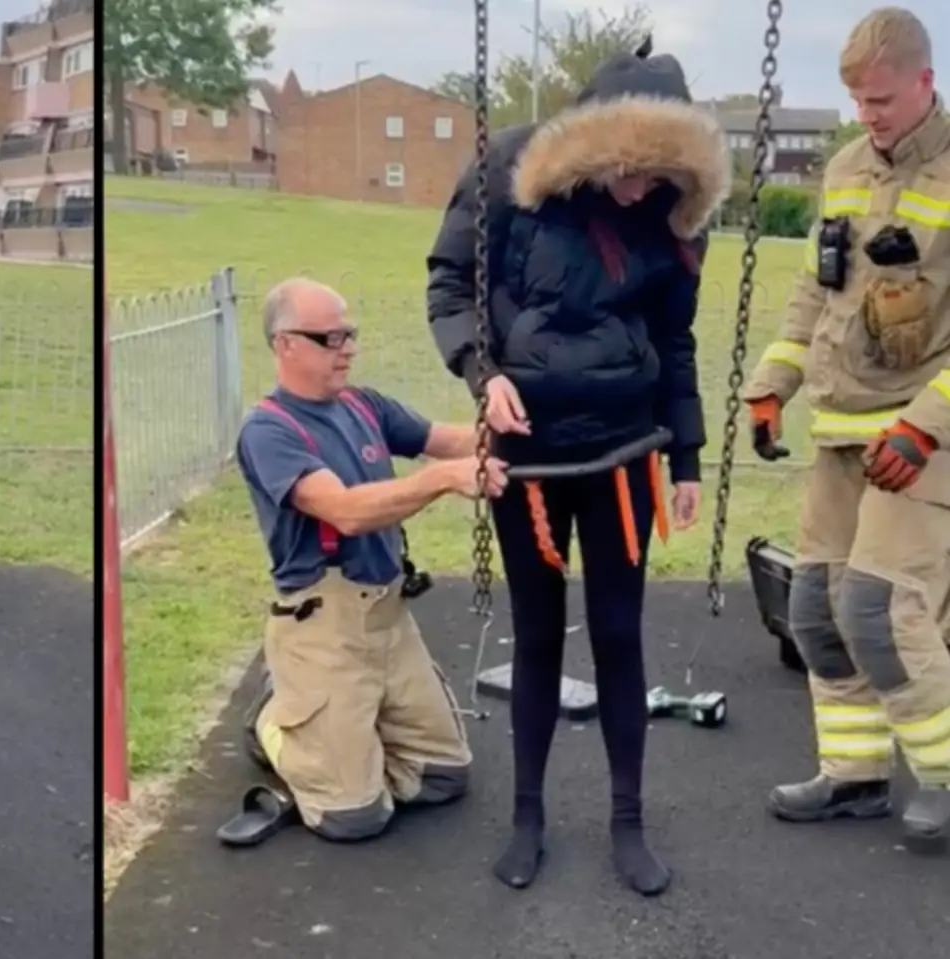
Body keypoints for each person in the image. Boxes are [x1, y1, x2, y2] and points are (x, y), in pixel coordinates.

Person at [425, 40, 724, 895]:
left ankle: (628, 820)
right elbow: (451, 285)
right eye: (628, 169)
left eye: (660, 172)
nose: (640, 189)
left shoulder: (671, 215)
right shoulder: (509, 171)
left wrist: (688, 455)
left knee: (622, 634)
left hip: (626, 450)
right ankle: (528, 815)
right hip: (530, 455)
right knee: (537, 633)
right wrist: (484, 379)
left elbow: (673, 339)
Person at [741, 7, 950, 852]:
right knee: (818, 611)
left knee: (880, 607)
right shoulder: (842, 169)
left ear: (926, 83)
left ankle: (943, 773)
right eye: (860, 102)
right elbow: (814, 291)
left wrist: (927, 427)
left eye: (884, 100)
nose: (870, 116)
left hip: (920, 436)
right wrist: (772, 383)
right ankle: (856, 775)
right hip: (841, 430)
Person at [230, 277, 500, 845]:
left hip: (386, 616)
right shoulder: (269, 431)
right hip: (324, 624)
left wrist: (514, 428)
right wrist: (444, 481)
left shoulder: (362, 403)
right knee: (355, 818)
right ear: (285, 345)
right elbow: (345, 512)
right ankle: (276, 724)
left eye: (349, 333)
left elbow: (443, 439)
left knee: (443, 778)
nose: (347, 347)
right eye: (330, 338)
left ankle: (345, 737)